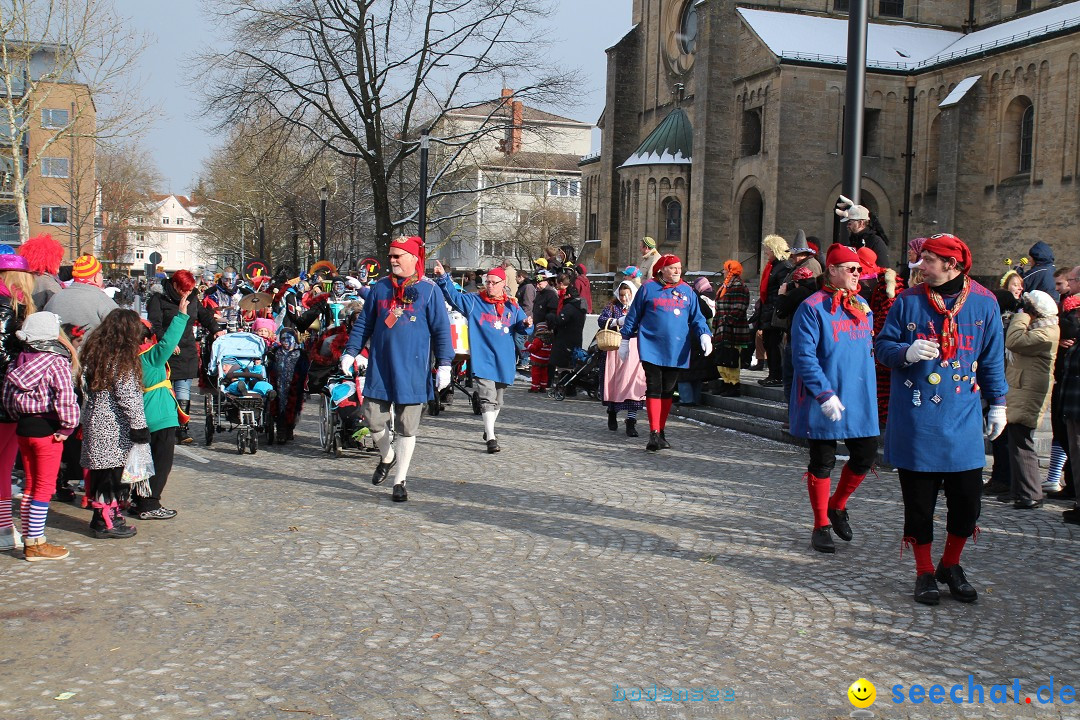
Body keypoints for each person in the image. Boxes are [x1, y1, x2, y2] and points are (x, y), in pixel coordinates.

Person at [875, 233, 1007, 606]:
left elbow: (993, 357)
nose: (920, 266)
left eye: (929, 260)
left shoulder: (984, 303)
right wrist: (907, 351)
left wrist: (999, 403)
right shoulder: (907, 301)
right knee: (920, 504)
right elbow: (882, 348)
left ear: (952, 264)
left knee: (967, 502)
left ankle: (951, 565)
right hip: (918, 419)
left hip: (962, 418)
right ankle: (923, 572)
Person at [340, 237, 453, 502]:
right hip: (381, 366)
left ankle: (400, 480)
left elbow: (441, 331)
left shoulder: (429, 290)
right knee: (373, 417)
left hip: (414, 369)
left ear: (414, 259)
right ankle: (387, 455)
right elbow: (364, 323)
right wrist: (350, 351)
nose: (392, 260)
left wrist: (445, 364)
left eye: (398, 256)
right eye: (390, 256)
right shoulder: (380, 288)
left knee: (406, 426)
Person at [789, 244, 879, 553]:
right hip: (823, 397)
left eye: (859, 270)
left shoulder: (862, 305)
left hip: (858, 396)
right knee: (823, 460)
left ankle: (837, 506)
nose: (858, 274)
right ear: (832, 271)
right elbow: (803, 356)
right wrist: (824, 393)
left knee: (866, 453)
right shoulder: (812, 307)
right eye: (851, 269)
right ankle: (820, 524)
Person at [2, 311, 80, 560]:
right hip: (48, 429)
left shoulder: (19, 361)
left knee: (31, 486)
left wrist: (17, 416)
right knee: (44, 488)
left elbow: (7, 396)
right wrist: (68, 426)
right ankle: (36, 543)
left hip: (23, 427)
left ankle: (30, 539)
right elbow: (66, 397)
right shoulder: (56, 361)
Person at [433, 263, 530, 453]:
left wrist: (526, 324)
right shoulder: (474, 301)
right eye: (488, 282)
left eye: (494, 283)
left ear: (503, 283)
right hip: (483, 357)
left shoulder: (511, 304)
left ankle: (489, 428)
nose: (490, 286)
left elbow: (522, 326)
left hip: (504, 358)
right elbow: (454, 298)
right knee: (487, 398)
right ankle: (491, 438)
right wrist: (444, 277)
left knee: (498, 400)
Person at [619, 254, 710, 451]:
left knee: (668, 390)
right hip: (651, 346)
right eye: (673, 268)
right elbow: (633, 316)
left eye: (679, 267)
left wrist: (704, 335)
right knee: (654, 387)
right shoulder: (648, 288)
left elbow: (698, 317)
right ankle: (653, 433)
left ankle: (661, 430)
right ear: (662, 269)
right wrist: (625, 339)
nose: (678, 271)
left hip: (676, 349)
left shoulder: (687, 291)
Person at [80, 309, 151, 539]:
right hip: (114, 423)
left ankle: (101, 517)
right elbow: (128, 394)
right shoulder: (121, 360)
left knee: (101, 473)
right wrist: (139, 426)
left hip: (94, 418)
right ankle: (106, 520)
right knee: (111, 475)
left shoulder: (94, 353)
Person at [130, 293, 191, 520]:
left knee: (142, 461)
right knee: (161, 463)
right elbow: (169, 341)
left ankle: (138, 500)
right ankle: (150, 504)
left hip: (139, 415)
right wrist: (181, 316)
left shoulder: (125, 357)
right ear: (146, 339)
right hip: (160, 416)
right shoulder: (149, 356)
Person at [1003, 290, 1060, 508]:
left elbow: (1014, 341)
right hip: (1022, 388)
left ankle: (1031, 494)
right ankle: (1020, 491)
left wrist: (1021, 316)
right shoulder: (1043, 328)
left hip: (1028, 392)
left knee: (1022, 443)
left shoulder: (1046, 332)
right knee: (1016, 441)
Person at [147, 270, 214, 445]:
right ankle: (166, 426)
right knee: (167, 390)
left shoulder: (192, 298)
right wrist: (166, 342)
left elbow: (203, 315)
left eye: (190, 291)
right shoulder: (158, 299)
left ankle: (182, 429)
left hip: (186, 349)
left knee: (184, 389)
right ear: (175, 285)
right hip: (166, 351)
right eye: (184, 290)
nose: (187, 294)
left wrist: (216, 329)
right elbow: (154, 324)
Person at [0, 255, 36, 551]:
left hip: (7, 396)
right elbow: (3, 353)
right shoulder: (11, 306)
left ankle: (3, 526)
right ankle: (2, 527)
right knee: (3, 462)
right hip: (7, 397)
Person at [598, 280, 646, 436]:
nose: (624, 298)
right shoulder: (612, 307)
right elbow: (601, 320)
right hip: (615, 348)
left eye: (627, 295)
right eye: (622, 295)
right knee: (615, 383)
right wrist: (616, 321)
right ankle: (612, 412)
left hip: (634, 348)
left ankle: (631, 421)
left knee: (633, 385)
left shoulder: (638, 308)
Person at [868, 257, 905, 429]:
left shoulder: (888, 298)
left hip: (885, 352)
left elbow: (882, 322)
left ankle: (885, 417)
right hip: (883, 350)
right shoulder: (885, 291)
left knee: (885, 388)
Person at [43, 254, 119, 335]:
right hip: (89, 347)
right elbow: (121, 331)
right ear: (96, 277)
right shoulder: (103, 301)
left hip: (58, 347)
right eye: (101, 273)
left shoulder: (55, 298)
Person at [756, 235, 792, 387]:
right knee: (769, 343)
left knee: (774, 344)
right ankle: (773, 374)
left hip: (774, 312)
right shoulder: (772, 266)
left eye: (768, 250)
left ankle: (776, 375)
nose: (766, 253)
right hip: (769, 310)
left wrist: (775, 310)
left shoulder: (783, 267)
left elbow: (781, 290)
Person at [712, 261, 752, 397]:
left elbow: (740, 306)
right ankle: (726, 381)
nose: (723, 272)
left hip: (733, 329)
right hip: (723, 327)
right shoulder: (726, 285)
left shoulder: (738, 286)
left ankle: (734, 384)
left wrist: (727, 320)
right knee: (723, 356)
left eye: (725, 270)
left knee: (732, 357)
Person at [676, 276, 716, 407]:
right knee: (695, 372)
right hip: (698, 336)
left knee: (684, 371)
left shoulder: (679, 297)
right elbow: (708, 313)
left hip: (685, 338)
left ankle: (686, 399)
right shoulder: (695, 296)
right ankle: (695, 398)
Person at [549, 270, 587, 395]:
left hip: (565, 339)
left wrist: (551, 317)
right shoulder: (580, 307)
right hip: (574, 338)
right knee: (570, 364)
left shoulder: (570, 307)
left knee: (564, 365)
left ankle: (566, 388)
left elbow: (560, 320)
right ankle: (569, 388)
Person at [835, 198, 892, 271]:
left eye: (850, 223)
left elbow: (883, 268)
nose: (848, 226)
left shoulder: (876, 242)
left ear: (861, 223)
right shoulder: (852, 241)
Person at [17, 233, 64, 309]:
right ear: (50, 260)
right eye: (59, 259)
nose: (60, 262)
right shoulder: (49, 285)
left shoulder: (22, 278)